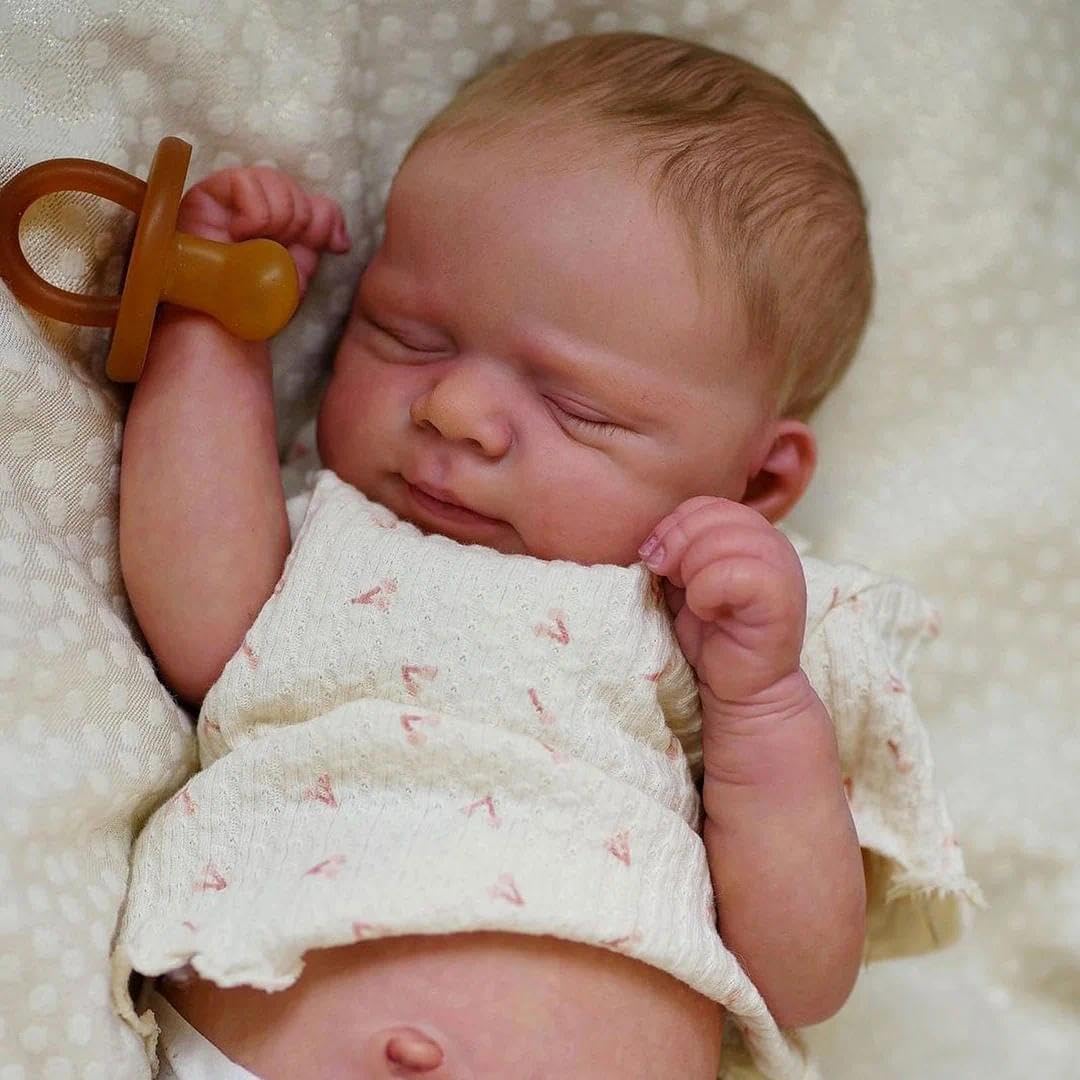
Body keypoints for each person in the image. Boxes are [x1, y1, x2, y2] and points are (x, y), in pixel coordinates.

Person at [111, 32, 958, 1080]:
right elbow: (198, 623)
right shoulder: (338, 539)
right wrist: (213, 325)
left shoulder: (733, 637)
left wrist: (763, 705)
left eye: (577, 408)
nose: (456, 410)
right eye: (404, 334)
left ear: (756, 482)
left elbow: (802, 976)